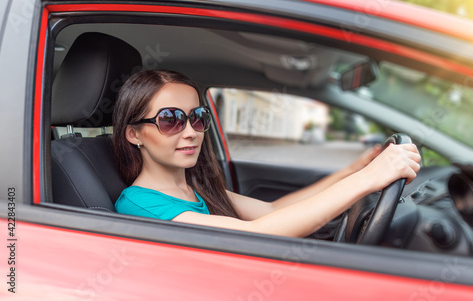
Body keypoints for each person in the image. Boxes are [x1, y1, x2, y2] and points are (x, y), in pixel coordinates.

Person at [113, 70, 421, 238]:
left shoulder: (192, 188)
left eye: (197, 117)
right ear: (134, 133)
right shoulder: (141, 203)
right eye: (170, 119)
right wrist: (369, 178)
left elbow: (273, 212)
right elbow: (260, 233)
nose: (191, 131)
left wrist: (351, 171)